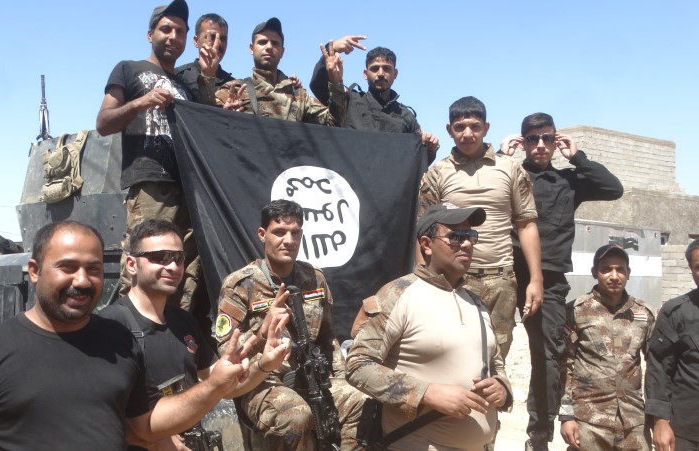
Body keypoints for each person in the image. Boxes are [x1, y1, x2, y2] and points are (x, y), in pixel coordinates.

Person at [0, 220, 253, 451]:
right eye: (67, 267)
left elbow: (144, 427)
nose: (81, 280)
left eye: (93, 269)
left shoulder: (120, 342)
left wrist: (218, 384)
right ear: (35, 272)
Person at [99, 219, 291, 450]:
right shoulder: (112, 326)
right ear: (131, 264)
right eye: (159, 257)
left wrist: (264, 365)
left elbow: (224, 386)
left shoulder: (183, 322)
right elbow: (114, 418)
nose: (171, 266)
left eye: (178, 258)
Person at [500, 112, 624, 450]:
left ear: (556, 142)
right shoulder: (508, 173)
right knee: (484, 348)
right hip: (505, 275)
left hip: (550, 280)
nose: (540, 145)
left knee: (549, 357)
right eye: (532, 139)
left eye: (547, 138)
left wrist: (577, 157)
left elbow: (613, 189)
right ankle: (481, 429)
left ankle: (538, 436)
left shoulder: (569, 180)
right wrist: (499, 158)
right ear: (522, 142)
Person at [347, 203, 512, 450]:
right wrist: (426, 392)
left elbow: (495, 362)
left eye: (470, 237)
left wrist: (502, 387)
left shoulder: (477, 303)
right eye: (456, 237)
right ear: (426, 244)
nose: (466, 244)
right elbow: (358, 366)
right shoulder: (397, 295)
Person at [96, 1, 223, 316]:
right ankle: (128, 345)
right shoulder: (129, 69)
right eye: (166, 29)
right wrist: (143, 102)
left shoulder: (185, 85)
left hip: (187, 190)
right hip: (151, 183)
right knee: (144, 270)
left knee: (178, 277)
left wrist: (208, 86)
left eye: (180, 31)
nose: (173, 36)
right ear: (150, 33)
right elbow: (104, 122)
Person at [215, 199, 366, 450]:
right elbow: (227, 353)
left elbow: (327, 336)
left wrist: (341, 377)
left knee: (361, 402)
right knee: (294, 416)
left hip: (312, 378)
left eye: (295, 233)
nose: (288, 240)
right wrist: (263, 333)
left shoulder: (314, 278)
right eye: (279, 232)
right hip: (261, 381)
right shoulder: (240, 285)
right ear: (262, 235)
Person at [417, 96, 543, 361]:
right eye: (460, 127)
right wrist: (423, 282)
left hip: (501, 281)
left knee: (495, 361)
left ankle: (490, 406)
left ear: (486, 128)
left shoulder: (511, 169)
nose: (467, 133)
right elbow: (424, 233)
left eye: (474, 126)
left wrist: (535, 279)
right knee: (452, 358)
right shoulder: (438, 173)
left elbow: (526, 225)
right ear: (449, 129)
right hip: (454, 280)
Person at [558, 244, 654, 450]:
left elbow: (656, 367)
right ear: (595, 273)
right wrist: (566, 415)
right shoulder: (576, 311)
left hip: (633, 421)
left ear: (628, 273)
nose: (614, 276)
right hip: (588, 420)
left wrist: (658, 417)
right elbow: (564, 365)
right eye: (606, 269)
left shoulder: (643, 313)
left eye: (620, 269)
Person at [309, 41, 440, 164]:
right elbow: (318, 86)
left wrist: (430, 148)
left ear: (395, 73)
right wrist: (330, 50)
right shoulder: (349, 101)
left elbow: (416, 161)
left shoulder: (407, 116)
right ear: (365, 74)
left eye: (387, 68)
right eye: (375, 68)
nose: (381, 73)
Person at [215, 17, 346, 125]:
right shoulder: (234, 90)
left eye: (275, 43)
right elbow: (206, 127)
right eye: (262, 42)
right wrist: (225, 116)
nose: (269, 47)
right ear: (251, 48)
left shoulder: (299, 95)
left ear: (282, 52)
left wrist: (335, 82)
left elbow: (333, 123)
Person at [645, 239, 699, 451]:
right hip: (688, 432)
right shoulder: (675, 313)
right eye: (698, 267)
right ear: (691, 270)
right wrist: (660, 421)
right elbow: (659, 368)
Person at [176, 13, 234, 102]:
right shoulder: (179, 77)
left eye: (223, 38)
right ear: (196, 41)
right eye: (212, 37)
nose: (218, 43)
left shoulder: (232, 84)